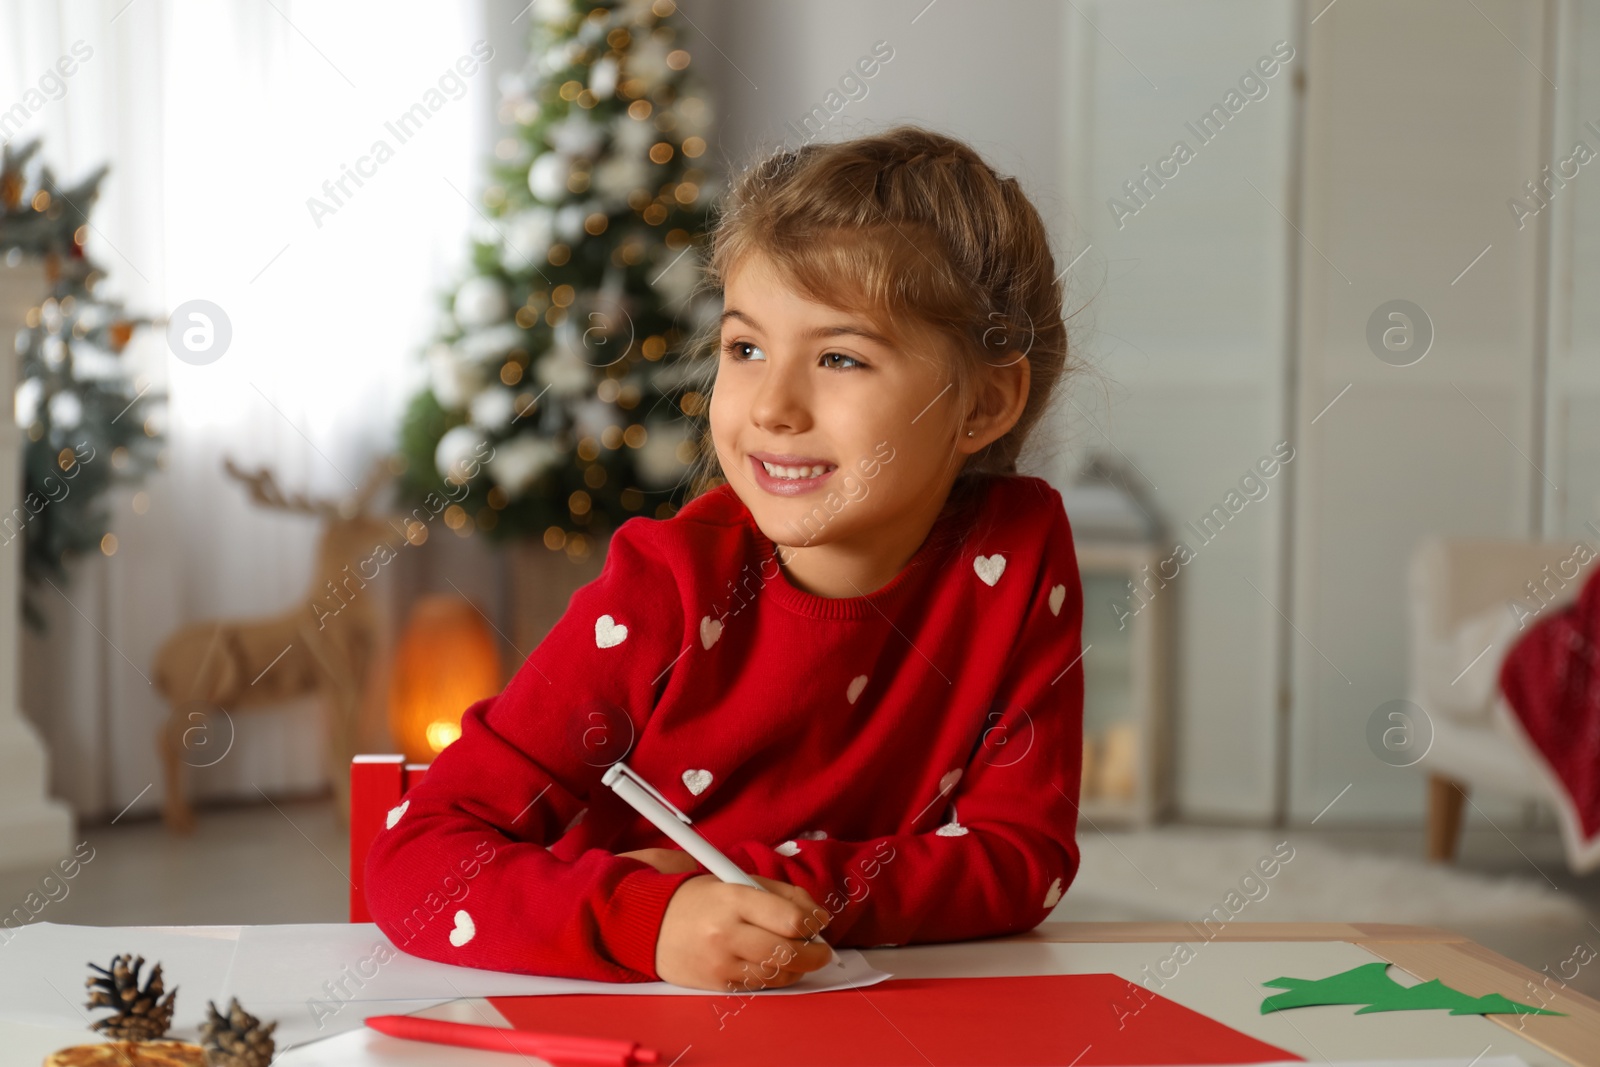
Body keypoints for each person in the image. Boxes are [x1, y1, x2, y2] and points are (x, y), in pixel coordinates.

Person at [364, 124, 1086, 993]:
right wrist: (652, 917)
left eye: (840, 357)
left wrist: (772, 890)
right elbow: (414, 861)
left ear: (984, 402)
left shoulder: (1016, 553)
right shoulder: (665, 588)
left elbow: (1022, 858)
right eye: (745, 348)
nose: (772, 405)